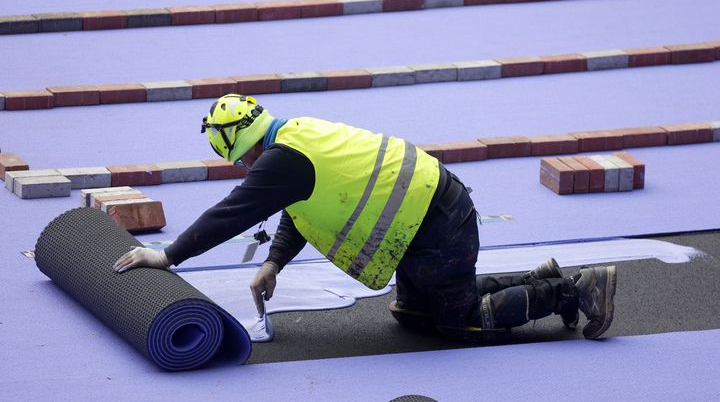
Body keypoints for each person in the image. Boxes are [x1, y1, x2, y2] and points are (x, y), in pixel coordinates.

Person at [113, 94, 617, 341]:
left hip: (438, 223)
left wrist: (168, 254)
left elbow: (230, 214)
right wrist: (274, 264)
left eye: (238, 161)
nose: (243, 169)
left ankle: (572, 290)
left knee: (458, 323)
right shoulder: (294, 136)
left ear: (239, 150)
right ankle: (538, 278)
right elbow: (303, 207)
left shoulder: (281, 160)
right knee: (412, 314)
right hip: (430, 216)